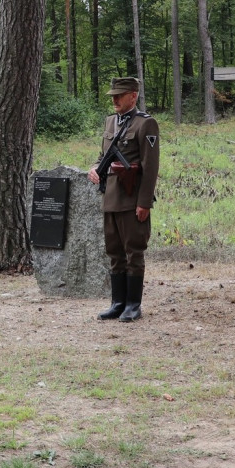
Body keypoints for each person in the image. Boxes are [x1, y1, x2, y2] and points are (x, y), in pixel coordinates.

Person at [87, 77, 160, 322]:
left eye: (120, 95)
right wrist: (95, 168)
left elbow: (150, 168)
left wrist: (144, 202)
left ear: (133, 96)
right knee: (114, 252)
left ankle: (132, 305)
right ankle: (117, 303)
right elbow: (102, 155)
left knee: (134, 252)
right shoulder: (110, 121)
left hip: (131, 199)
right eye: (113, 96)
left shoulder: (145, 124)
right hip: (110, 197)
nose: (115, 99)